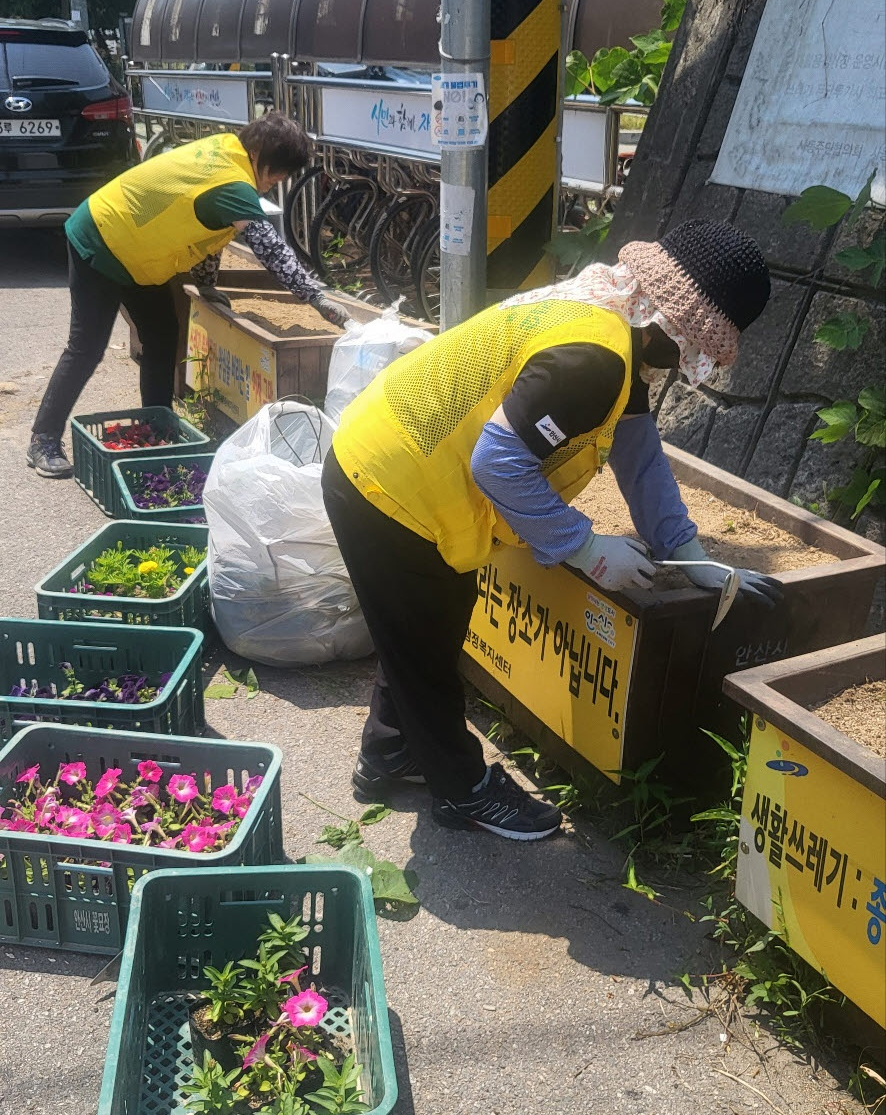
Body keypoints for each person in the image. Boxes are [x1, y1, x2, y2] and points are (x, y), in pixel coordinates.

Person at [322, 218, 782, 842]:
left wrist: (694, 557)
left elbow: (641, 458)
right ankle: (462, 791)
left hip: (393, 465)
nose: (688, 366)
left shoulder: (614, 327)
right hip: (388, 486)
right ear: (675, 327)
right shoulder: (594, 360)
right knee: (422, 649)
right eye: (698, 351)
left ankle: (389, 752)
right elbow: (498, 462)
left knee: (427, 628)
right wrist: (586, 549)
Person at [28, 113, 347, 476]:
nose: (276, 183)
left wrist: (208, 284)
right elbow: (270, 248)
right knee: (86, 348)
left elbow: (208, 231)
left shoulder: (225, 151)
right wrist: (314, 296)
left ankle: (157, 426)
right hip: (101, 240)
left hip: (138, 251)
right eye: (279, 173)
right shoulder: (233, 183)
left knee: (162, 335)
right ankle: (43, 439)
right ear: (261, 155)